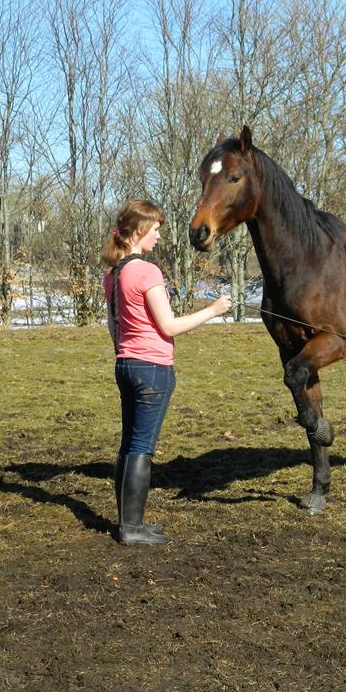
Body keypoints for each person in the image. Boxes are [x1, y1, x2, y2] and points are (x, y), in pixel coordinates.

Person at [102, 199, 232, 546]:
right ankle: (131, 529)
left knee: (128, 444)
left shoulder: (113, 274)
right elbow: (170, 326)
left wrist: (125, 354)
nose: (159, 236)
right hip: (153, 370)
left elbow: (114, 327)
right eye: (156, 229)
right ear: (140, 230)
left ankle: (130, 522)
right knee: (142, 447)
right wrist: (214, 310)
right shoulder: (146, 271)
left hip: (125, 366)